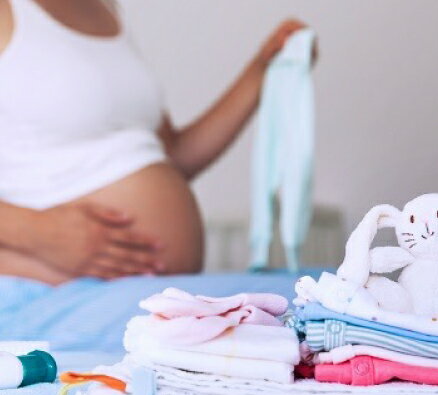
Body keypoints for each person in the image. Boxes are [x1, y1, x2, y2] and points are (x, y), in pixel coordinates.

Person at [0, 0, 311, 285]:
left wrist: (262, 69)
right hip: (49, 290)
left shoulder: (106, 8)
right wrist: (40, 231)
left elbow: (172, 156)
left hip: (137, 291)